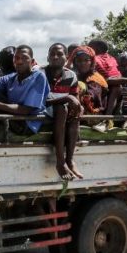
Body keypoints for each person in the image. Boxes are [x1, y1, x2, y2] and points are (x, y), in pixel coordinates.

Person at [0, 45, 50, 136]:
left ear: (32, 62)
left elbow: (26, 110)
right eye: (17, 58)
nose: (20, 61)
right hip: (13, 116)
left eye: (24, 58)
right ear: (13, 61)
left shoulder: (39, 77)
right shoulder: (11, 78)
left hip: (25, 123)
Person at [43, 44, 83, 180]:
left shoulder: (71, 75)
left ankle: (70, 160)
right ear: (47, 58)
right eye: (52, 54)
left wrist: (78, 107)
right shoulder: (40, 74)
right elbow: (40, 101)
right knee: (62, 108)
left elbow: (75, 98)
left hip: (62, 114)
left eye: (59, 54)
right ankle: (60, 162)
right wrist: (65, 98)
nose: (55, 57)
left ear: (66, 58)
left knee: (74, 113)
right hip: (42, 112)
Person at [71, 45, 121, 131]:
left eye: (86, 60)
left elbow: (93, 99)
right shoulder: (73, 75)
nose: (82, 63)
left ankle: (106, 122)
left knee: (79, 86)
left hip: (95, 115)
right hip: (77, 113)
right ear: (75, 62)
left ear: (92, 62)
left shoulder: (96, 78)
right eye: (79, 60)